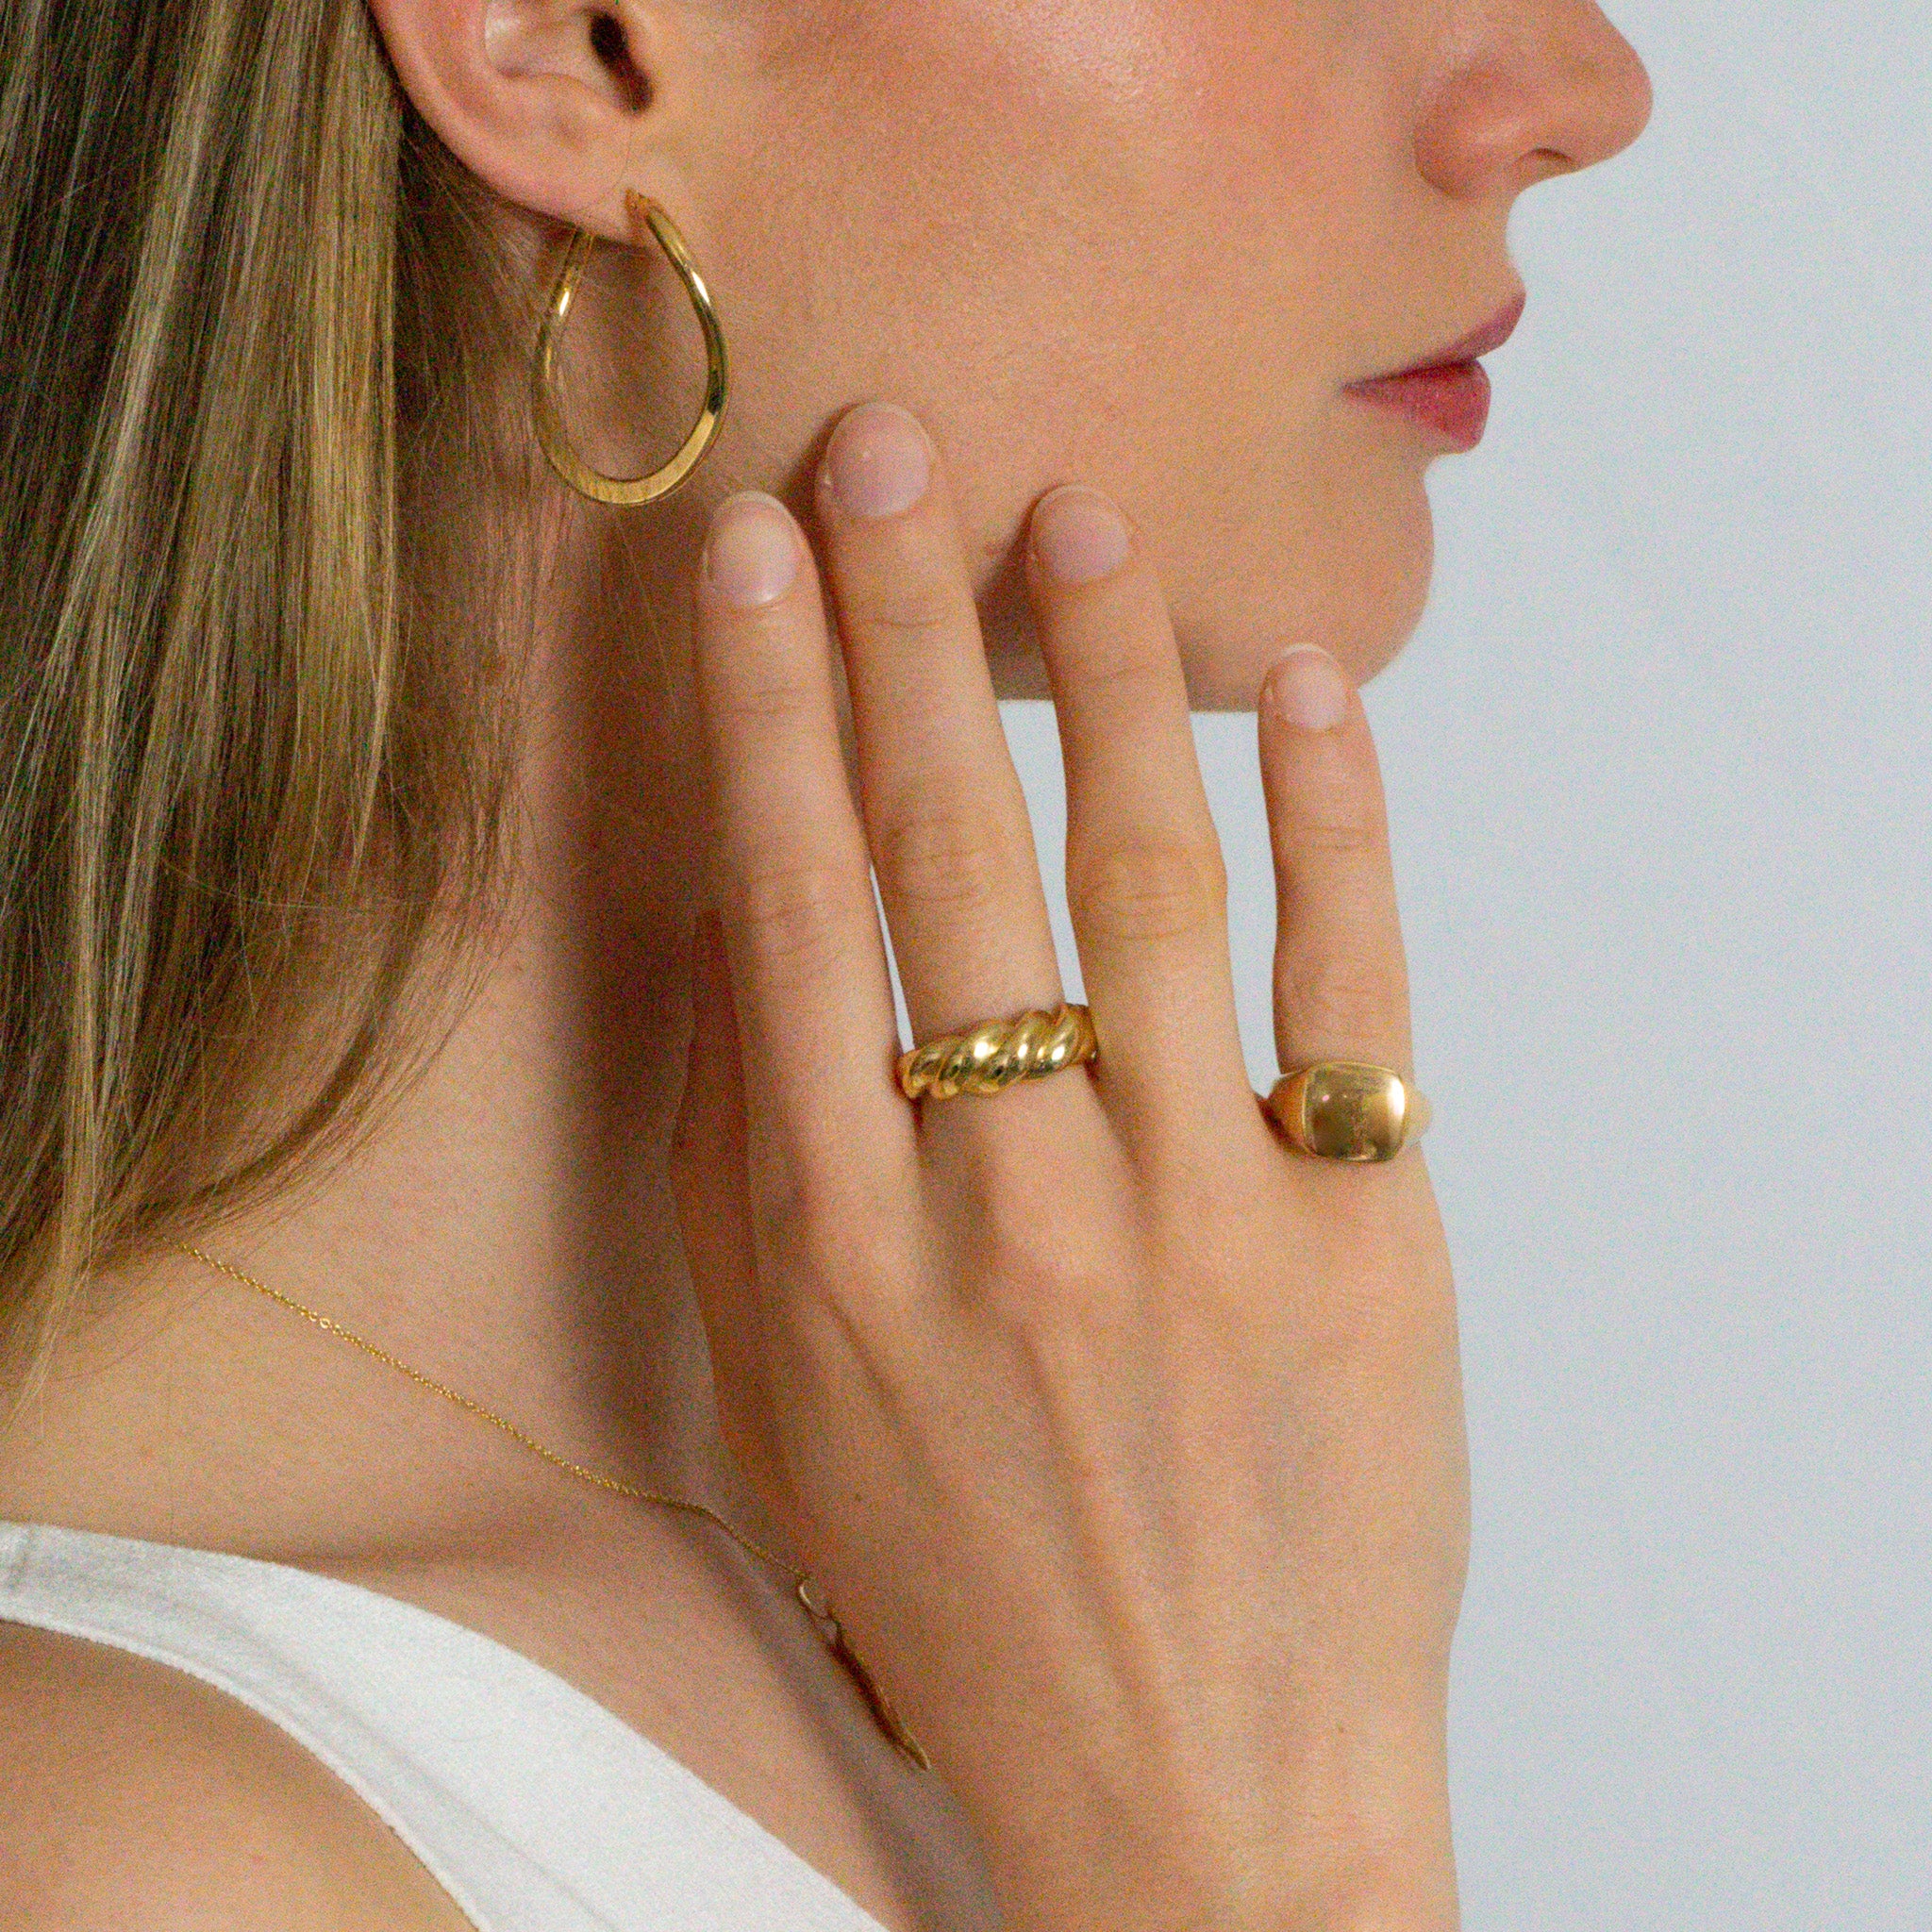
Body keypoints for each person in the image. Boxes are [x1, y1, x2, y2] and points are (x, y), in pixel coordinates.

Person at [0, 2, 1651, 1927]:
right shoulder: (110, 1848)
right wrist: (1260, 1866)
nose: (1575, 89)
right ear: (568, 40)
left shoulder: (999, 1523)